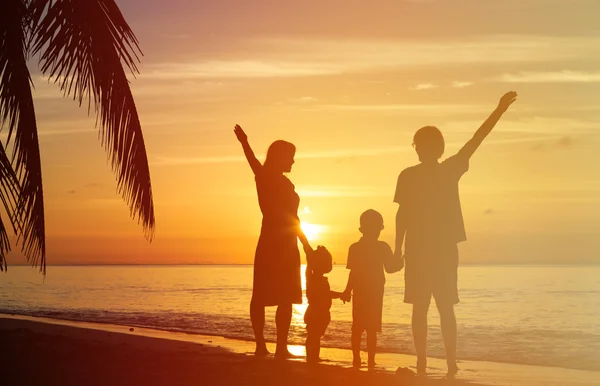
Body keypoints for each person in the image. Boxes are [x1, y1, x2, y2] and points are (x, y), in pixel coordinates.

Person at [394, 91, 518, 377]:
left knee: (428, 308)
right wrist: (397, 249)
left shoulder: (424, 173)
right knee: (438, 308)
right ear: (433, 148)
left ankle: (434, 362)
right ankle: (441, 362)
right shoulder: (429, 172)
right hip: (433, 250)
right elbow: (476, 140)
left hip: (429, 250)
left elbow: (477, 139)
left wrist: (396, 248)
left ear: (425, 148)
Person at [234, 124, 313, 359]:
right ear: (280, 157)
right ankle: (260, 344)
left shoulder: (288, 184)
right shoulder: (265, 177)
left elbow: (295, 219)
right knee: (261, 294)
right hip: (271, 242)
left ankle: (281, 346)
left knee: (286, 297)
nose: (293, 162)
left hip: (289, 244)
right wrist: (245, 143)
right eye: (291, 157)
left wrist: (306, 245)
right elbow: (253, 162)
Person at [343, 209, 398, 370]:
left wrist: (347, 290)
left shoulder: (356, 247)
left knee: (361, 327)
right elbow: (391, 268)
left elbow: (353, 273)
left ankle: (359, 359)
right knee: (367, 328)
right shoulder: (381, 247)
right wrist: (400, 262)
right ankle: (366, 359)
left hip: (364, 292)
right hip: (371, 293)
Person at [304, 246, 350, 364]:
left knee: (316, 336)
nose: (330, 264)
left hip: (323, 312)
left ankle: (314, 356)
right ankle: (311, 357)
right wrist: (340, 295)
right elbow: (326, 294)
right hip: (315, 312)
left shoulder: (319, 278)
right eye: (328, 262)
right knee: (313, 336)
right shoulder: (313, 278)